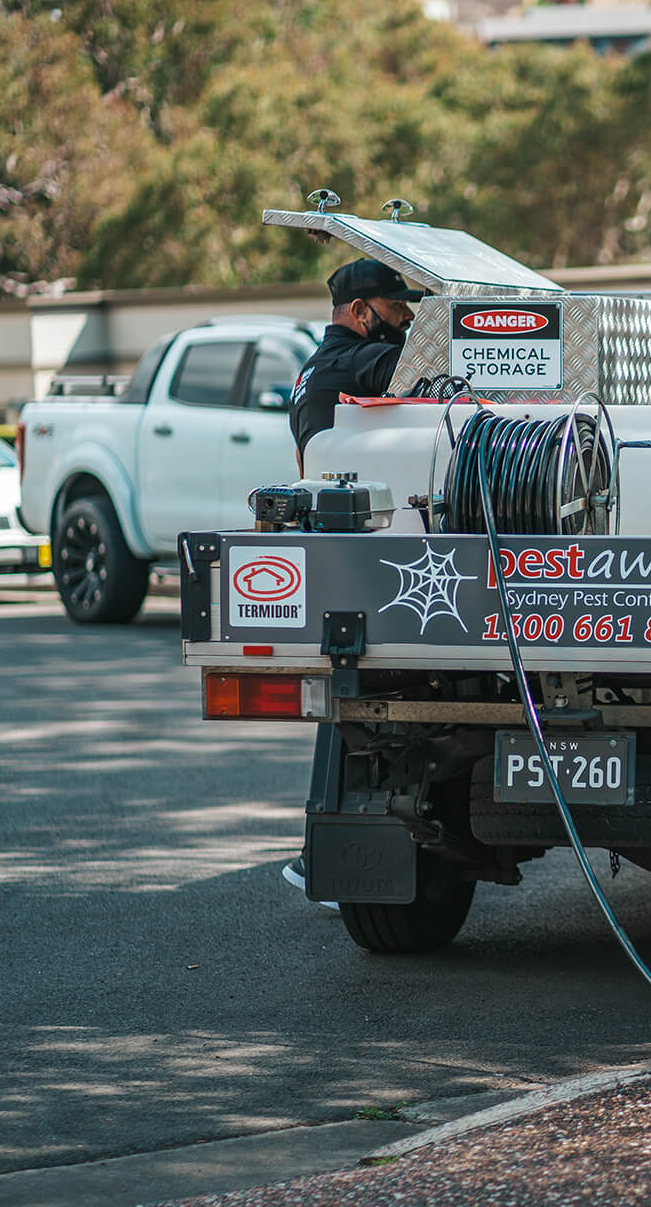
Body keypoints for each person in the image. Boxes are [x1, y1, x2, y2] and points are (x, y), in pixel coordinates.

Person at [282, 258, 423, 905]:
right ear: (362, 311)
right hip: (356, 557)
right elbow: (420, 375)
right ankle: (323, 856)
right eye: (399, 312)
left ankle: (321, 855)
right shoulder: (354, 364)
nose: (409, 322)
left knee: (349, 704)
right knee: (354, 707)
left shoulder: (319, 364)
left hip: (340, 551)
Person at [289, 257, 425, 473]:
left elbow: (300, 457)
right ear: (360, 311)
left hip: (322, 501)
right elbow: (439, 376)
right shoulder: (360, 360)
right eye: (397, 306)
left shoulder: (309, 371)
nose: (409, 316)